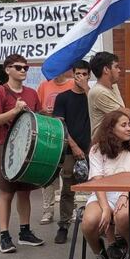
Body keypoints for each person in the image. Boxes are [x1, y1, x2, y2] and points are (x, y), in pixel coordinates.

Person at [0, 54, 44, 253]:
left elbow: (36, 118)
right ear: (7, 69)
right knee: (6, 192)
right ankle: (4, 235)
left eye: (25, 68)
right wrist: (14, 111)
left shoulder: (32, 93)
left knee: (25, 192)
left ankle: (25, 232)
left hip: (27, 146)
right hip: (6, 146)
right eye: (18, 67)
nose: (23, 71)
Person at [81, 110, 130, 259]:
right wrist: (105, 208)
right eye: (124, 125)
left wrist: (125, 194)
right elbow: (98, 180)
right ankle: (99, 250)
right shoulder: (96, 150)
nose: (129, 128)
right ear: (111, 128)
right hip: (103, 193)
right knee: (89, 223)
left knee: (122, 217)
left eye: (129, 124)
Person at [51, 60, 92, 244]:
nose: (81, 77)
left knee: (98, 187)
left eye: (84, 74)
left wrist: (88, 90)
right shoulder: (63, 97)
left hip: (93, 149)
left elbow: (100, 115)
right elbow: (60, 124)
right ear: (72, 74)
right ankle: (64, 225)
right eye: (78, 74)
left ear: (89, 76)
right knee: (68, 188)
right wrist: (74, 146)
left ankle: (100, 223)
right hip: (69, 149)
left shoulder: (93, 95)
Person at [37, 70, 75, 225]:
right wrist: (44, 112)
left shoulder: (73, 84)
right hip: (49, 136)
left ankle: (69, 210)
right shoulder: (44, 86)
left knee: (68, 176)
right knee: (47, 175)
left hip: (68, 136)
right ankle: (48, 211)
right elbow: (37, 109)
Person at [87, 51, 125, 138]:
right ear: (106, 70)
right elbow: (123, 116)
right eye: (116, 67)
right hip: (104, 147)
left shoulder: (114, 86)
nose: (119, 70)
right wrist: (126, 112)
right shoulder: (98, 91)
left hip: (115, 144)